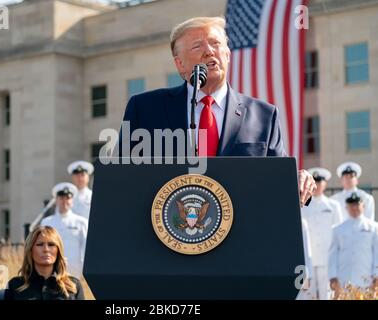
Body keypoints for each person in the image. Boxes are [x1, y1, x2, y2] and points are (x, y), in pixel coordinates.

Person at [119, 16, 315, 206]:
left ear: (228, 55)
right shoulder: (145, 109)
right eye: (197, 46)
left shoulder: (264, 116)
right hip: (168, 229)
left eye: (215, 43)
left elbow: (278, 179)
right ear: (180, 64)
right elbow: (120, 178)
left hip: (241, 233)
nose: (209, 52)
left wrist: (297, 180)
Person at [4, 225, 85, 300]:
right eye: (40, 244)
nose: (46, 249)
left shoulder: (73, 286)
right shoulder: (15, 286)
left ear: (58, 250)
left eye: (51, 244)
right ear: (30, 250)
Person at [301, 168, 342, 300]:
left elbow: (338, 234)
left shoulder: (333, 205)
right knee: (307, 294)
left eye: (321, 181)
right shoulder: (302, 205)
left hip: (326, 258)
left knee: (327, 295)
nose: (318, 185)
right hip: (308, 259)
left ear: (325, 184)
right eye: (316, 181)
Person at [328, 193, 378, 299]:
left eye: (357, 204)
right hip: (344, 278)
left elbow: (376, 253)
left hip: (366, 277)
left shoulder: (373, 228)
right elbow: (333, 254)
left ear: (363, 206)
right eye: (351, 205)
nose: (354, 208)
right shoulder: (338, 229)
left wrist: (376, 274)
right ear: (346, 207)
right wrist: (332, 276)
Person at [41, 182, 88, 278]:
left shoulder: (81, 222)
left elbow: (85, 248)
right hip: (52, 271)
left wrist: (85, 272)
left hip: (75, 272)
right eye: (61, 198)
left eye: (68, 198)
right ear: (56, 200)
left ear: (72, 201)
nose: (64, 201)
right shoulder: (47, 222)